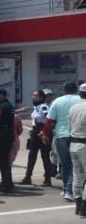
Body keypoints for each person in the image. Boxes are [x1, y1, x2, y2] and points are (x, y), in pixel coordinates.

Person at [42, 81, 81, 201]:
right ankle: (74, 190)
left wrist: (44, 133)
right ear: (76, 89)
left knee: (65, 164)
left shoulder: (57, 101)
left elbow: (49, 120)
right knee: (78, 164)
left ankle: (67, 190)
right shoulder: (81, 100)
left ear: (64, 90)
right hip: (79, 136)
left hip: (61, 136)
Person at [0, 89, 16, 193]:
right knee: (3, 161)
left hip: (4, 137)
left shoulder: (4, 107)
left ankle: (7, 185)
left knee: (3, 161)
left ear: (2, 95)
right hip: (6, 136)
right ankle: (7, 183)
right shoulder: (6, 105)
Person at [69, 83, 86, 216]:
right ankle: (84, 205)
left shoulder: (73, 107)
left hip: (73, 143)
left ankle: (78, 203)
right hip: (84, 144)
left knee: (77, 175)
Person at [43, 88, 60, 178]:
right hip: (48, 130)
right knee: (50, 151)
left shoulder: (54, 104)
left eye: (49, 95)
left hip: (54, 130)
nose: (47, 97)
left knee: (56, 151)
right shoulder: (43, 105)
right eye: (45, 95)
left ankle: (57, 170)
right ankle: (52, 169)